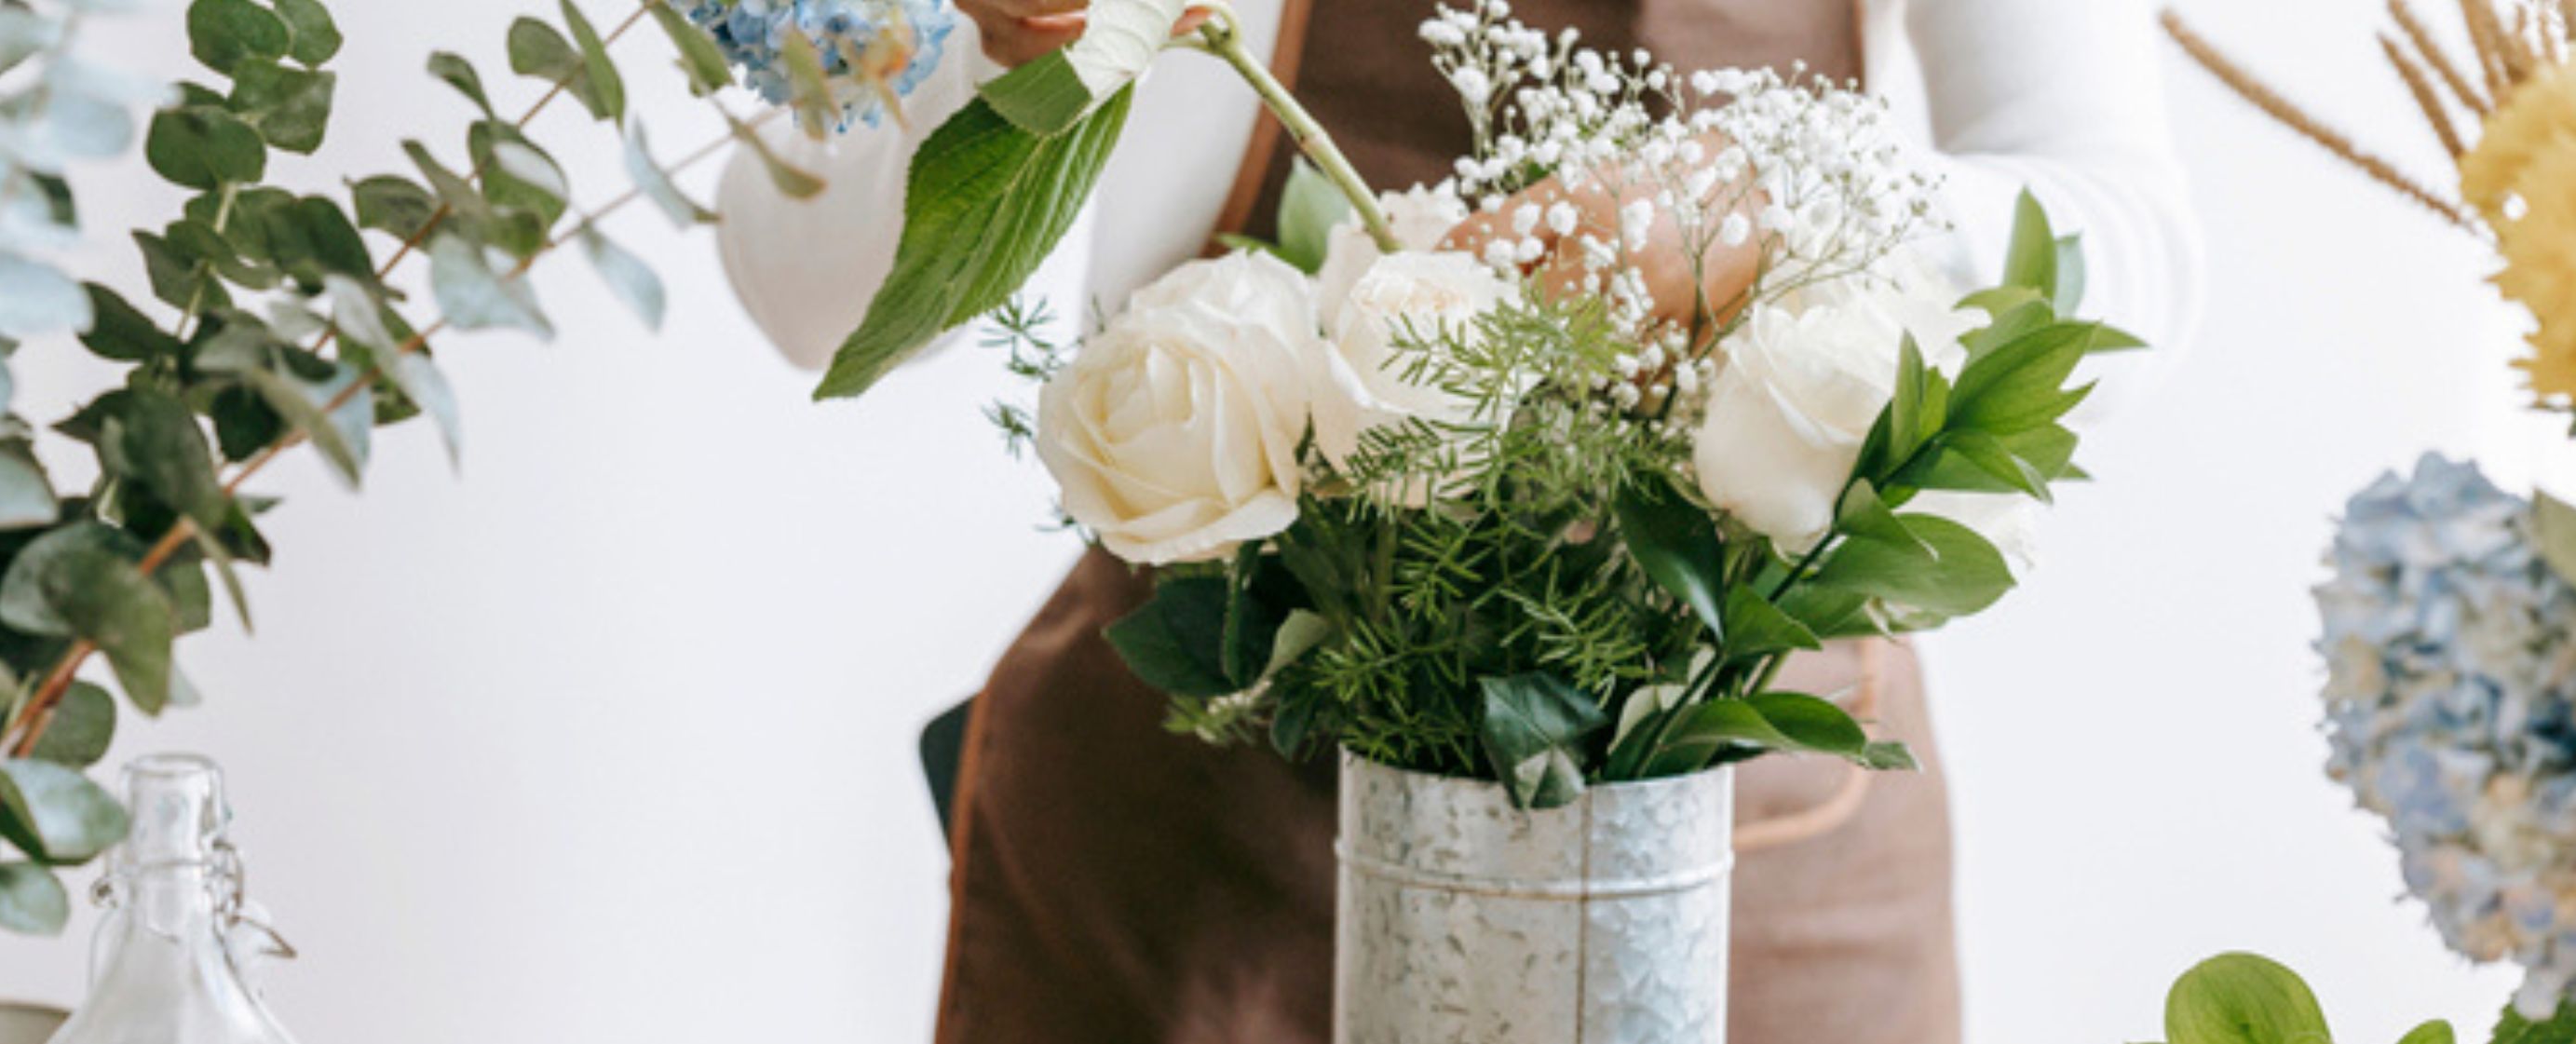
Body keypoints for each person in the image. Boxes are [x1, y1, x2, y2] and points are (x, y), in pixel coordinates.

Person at [713, 1, 2203, 1042]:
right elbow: (806, 287)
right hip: (1195, 868)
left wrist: (1786, 211)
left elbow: (2131, 244)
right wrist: (996, 53)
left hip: (1764, 867)